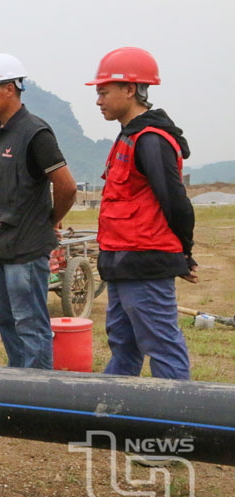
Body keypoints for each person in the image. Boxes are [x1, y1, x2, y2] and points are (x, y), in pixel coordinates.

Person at [88, 47, 196, 380]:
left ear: (130, 89)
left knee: (162, 346)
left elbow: (176, 202)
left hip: (145, 265)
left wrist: (184, 253)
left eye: (104, 92)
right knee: (123, 346)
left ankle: (178, 424)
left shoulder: (151, 140)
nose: (98, 100)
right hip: (122, 265)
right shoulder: (127, 138)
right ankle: (114, 415)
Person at [0, 53, 76, 369]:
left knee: (30, 326)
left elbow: (67, 187)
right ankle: (18, 392)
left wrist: (50, 220)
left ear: (9, 88)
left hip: (26, 250)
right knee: (6, 322)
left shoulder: (35, 132)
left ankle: (40, 400)